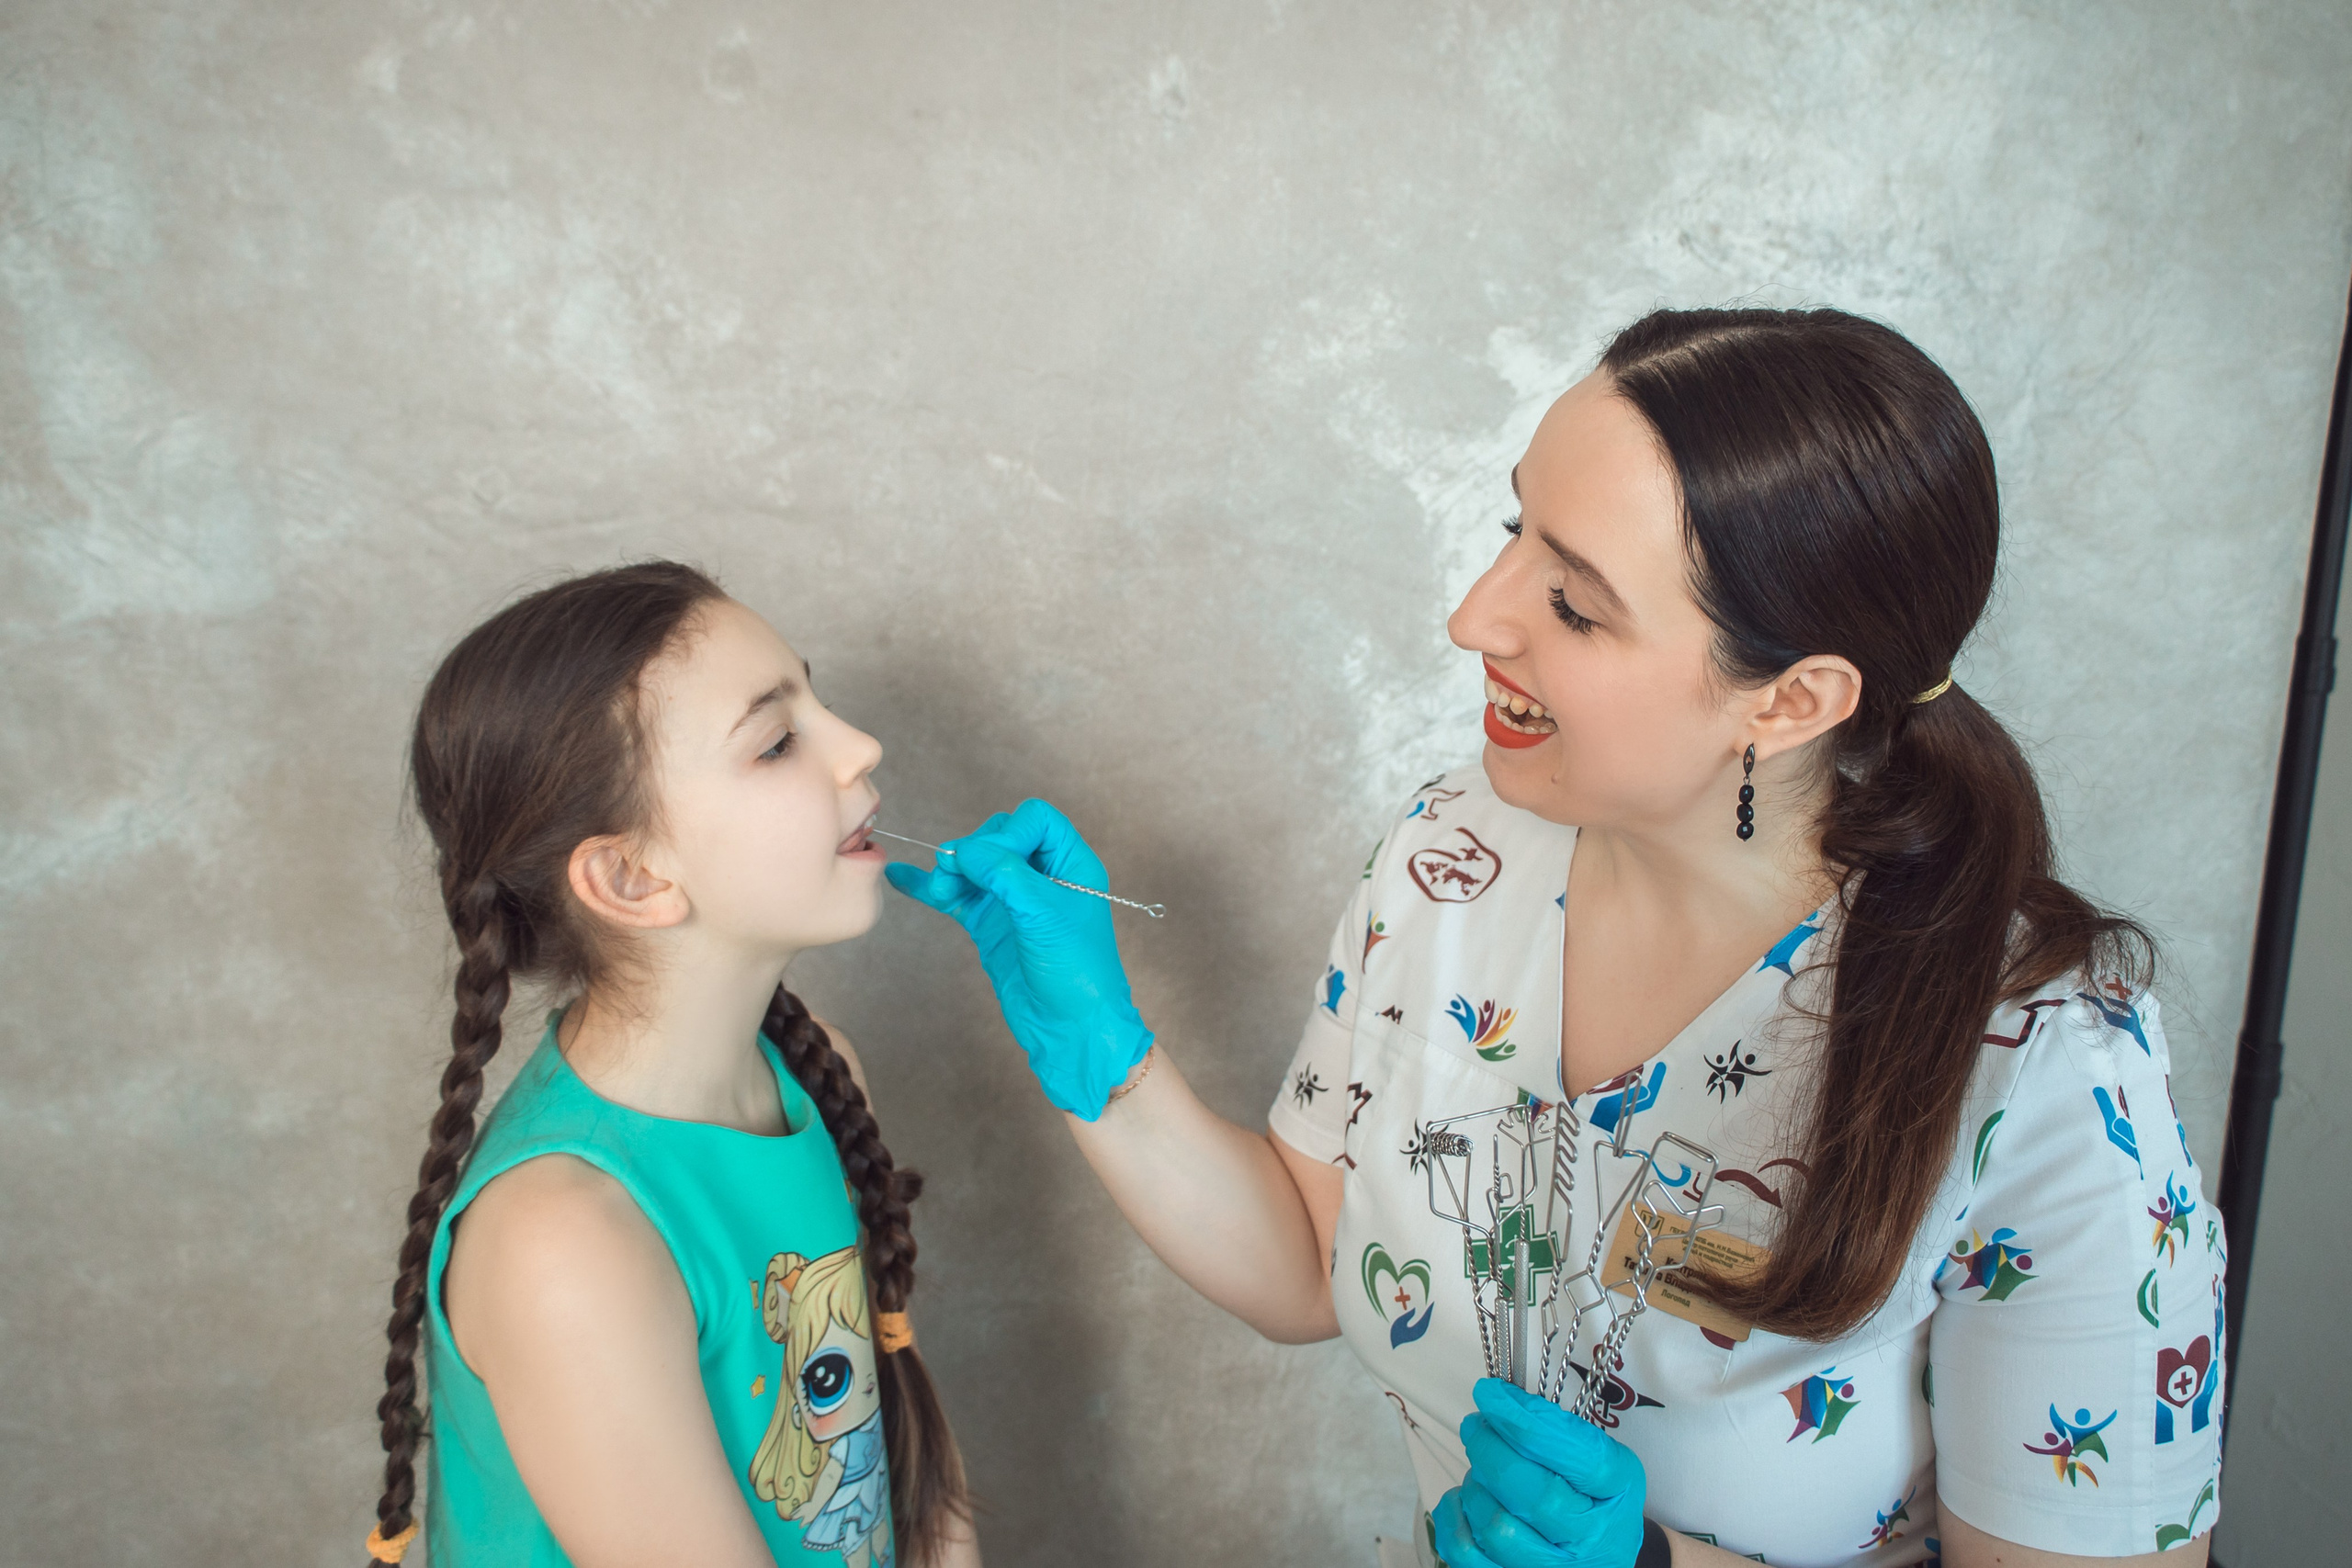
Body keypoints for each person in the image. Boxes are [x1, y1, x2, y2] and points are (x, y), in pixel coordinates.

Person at [889, 309, 2223, 1566]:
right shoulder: (1450, 855)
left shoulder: (2050, 1063)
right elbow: (1310, 1256)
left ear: (1795, 698)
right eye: (1513, 530)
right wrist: (1101, 1050)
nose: (1476, 614)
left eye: (1575, 602)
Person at [365, 563, 978, 1568]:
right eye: (778, 740)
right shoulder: (562, 1243)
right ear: (631, 876)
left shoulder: (819, 1075)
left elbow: (901, 1458)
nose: (861, 746)